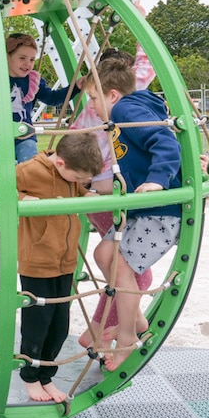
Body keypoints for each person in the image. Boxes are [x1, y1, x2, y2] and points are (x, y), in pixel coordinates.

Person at [0, 132, 103, 402]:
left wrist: (90, 194)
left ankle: (46, 376)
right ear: (60, 164)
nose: (78, 183)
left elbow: (81, 190)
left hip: (65, 261)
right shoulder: (30, 171)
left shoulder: (69, 173)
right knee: (37, 325)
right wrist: (25, 201)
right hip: (37, 262)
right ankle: (29, 378)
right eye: (76, 177)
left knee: (60, 326)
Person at [85, 57, 182, 371]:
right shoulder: (123, 114)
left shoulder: (126, 110)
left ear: (112, 95)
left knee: (123, 267)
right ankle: (137, 320)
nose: (92, 106)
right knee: (103, 254)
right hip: (140, 209)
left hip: (159, 211)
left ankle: (126, 338)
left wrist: (157, 180)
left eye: (94, 98)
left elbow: (164, 141)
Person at [73, 44, 156, 348]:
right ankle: (102, 332)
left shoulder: (87, 111)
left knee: (119, 266)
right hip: (113, 194)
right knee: (134, 273)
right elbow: (149, 66)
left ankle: (117, 327)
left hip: (95, 197)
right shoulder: (121, 101)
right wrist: (140, 21)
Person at [0, 33, 82, 180]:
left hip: (25, 135)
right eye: (22, 58)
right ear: (7, 57)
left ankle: (25, 194)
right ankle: (13, 176)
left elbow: (53, 98)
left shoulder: (33, 80)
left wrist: (75, 88)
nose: (27, 64)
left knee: (31, 171)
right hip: (0, 136)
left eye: (31, 59)